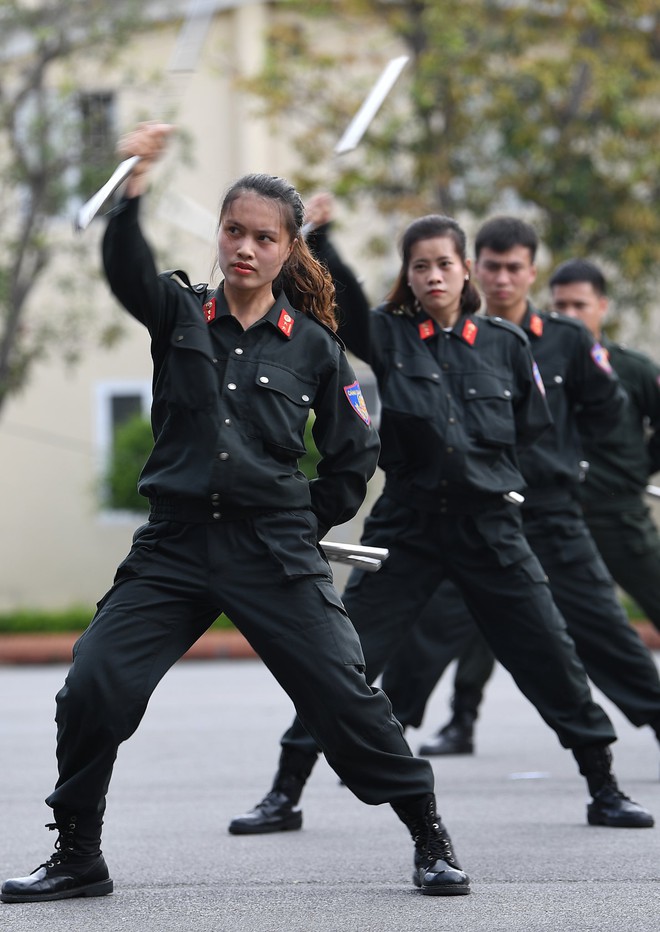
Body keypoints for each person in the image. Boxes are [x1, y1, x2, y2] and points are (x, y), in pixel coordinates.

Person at [0, 123, 471, 903]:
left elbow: (354, 451)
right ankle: (79, 853)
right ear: (218, 236)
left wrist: (303, 519)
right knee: (93, 684)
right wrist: (134, 189)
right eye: (234, 231)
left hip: (272, 548)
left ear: (289, 250)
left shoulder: (316, 347)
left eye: (263, 237)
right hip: (176, 547)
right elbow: (125, 273)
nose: (245, 247)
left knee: (345, 696)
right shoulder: (179, 313)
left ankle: (428, 836)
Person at [227, 206, 653, 841]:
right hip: (410, 528)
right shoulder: (386, 335)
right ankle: (283, 793)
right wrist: (319, 237)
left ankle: (604, 786)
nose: (432, 275)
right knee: (341, 662)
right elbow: (337, 293)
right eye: (419, 265)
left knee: (550, 655)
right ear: (408, 274)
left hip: (491, 529)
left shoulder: (508, 346)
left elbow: (533, 425)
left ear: (464, 272)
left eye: (443, 264)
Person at [380, 221, 660, 767]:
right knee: (433, 627)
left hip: (552, 512)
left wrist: (583, 468)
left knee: (601, 629)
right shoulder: (449, 338)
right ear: (473, 268)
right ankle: (381, 744)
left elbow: (608, 413)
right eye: (491, 266)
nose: (502, 278)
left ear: (531, 272)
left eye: (514, 268)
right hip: (476, 513)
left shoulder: (565, 338)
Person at [551, 258, 660, 631]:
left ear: (602, 306)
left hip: (618, 514)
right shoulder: (539, 365)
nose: (569, 314)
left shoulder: (632, 368)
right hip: (555, 514)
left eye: (579, 305)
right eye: (560, 306)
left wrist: (638, 468)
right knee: (500, 607)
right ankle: (467, 692)